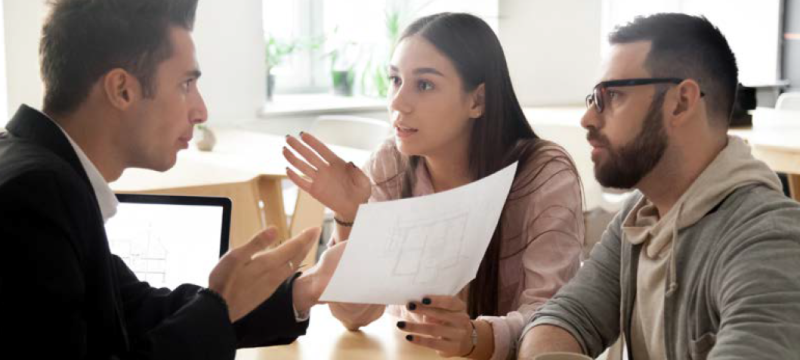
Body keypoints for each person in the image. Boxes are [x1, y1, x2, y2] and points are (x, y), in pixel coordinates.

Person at [0, 0, 343, 359]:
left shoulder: (40, 171)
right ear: (122, 90)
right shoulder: (34, 196)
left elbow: (135, 310)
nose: (201, 110)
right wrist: (218, 305)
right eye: (186, 84)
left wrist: (302, 290)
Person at [283, 12, 584, 360]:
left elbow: (553, 320)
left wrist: (475, 336)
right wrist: (350, 218)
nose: (398, 102)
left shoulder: (543, 175)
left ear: (478, 101)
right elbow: (353, 317)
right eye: (395, 80)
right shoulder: (390, 164)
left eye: (424, 85)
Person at [517, 13, 800, 360]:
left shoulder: (769, 239)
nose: (587, 118)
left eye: (613, 95)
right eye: (593, 99)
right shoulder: (641, 215)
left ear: (681, 103)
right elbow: (561, 320)